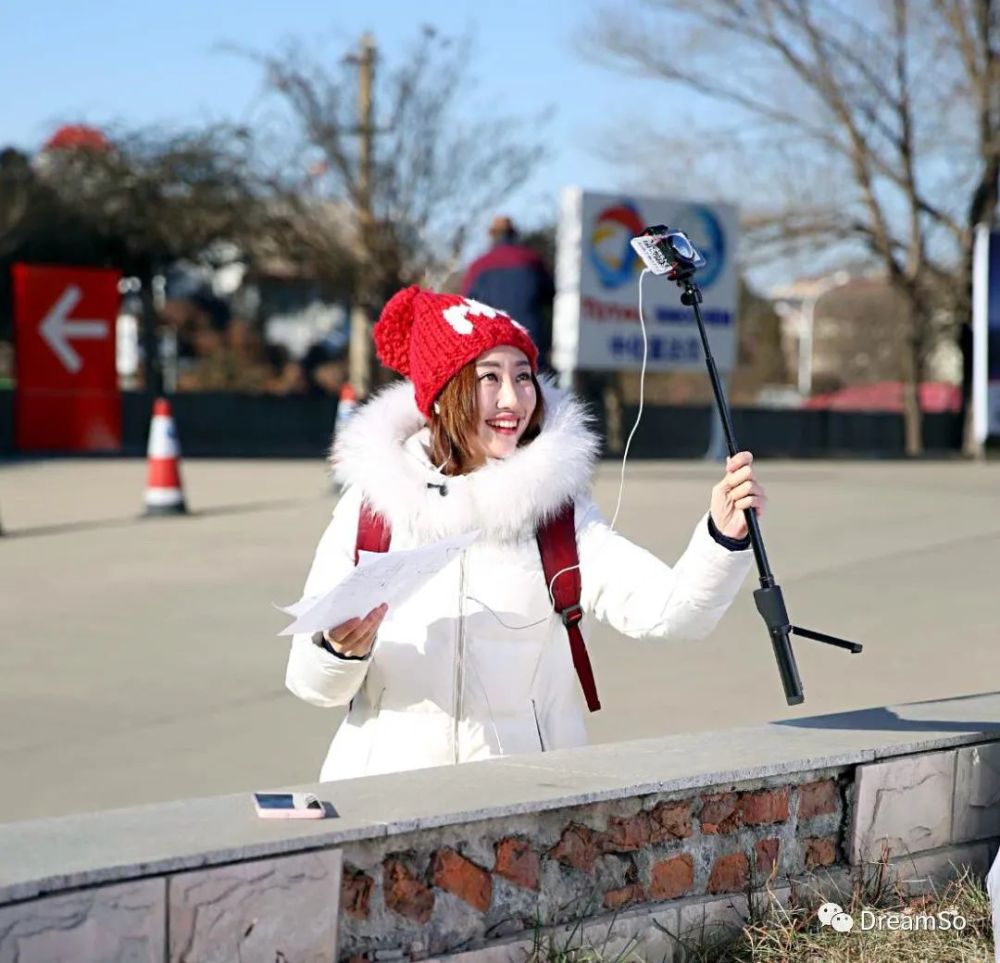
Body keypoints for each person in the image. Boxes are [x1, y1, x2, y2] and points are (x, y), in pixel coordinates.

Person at [285, 287, 765, 782]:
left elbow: (673, 612)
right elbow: (310, 684)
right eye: (488, 377)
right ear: (442, 392)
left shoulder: (557, 512)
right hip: (384, 798)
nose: (513, 398)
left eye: (523, 376)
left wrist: (722, 538)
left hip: (522, 808)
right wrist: (340, 650)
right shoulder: (373, 508)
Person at [461, 215, 556, 369]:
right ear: (514, 234)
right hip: (531, 342)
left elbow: (464, 306)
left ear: (491, 236)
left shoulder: (479, 266)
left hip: (492, 344)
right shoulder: (532, 261)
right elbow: (551, 295)